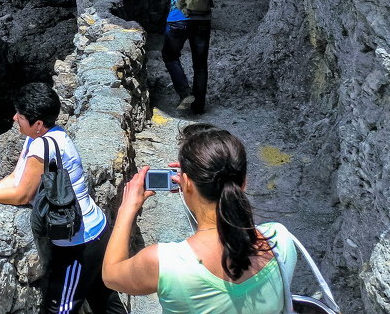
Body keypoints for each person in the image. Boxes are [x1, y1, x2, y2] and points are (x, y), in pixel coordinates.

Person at [0, 84, 125, 314]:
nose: (14, 118)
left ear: (38, 124)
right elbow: (16, 177)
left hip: (80, 244)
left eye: (20, 116)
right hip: (97, 228)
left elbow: (23, 194)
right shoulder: (48, 135)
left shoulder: (42, 146)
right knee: (105, 301)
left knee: (59, 309)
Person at [102, 126, 297, 313]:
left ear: (186, 183)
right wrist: (195, 184)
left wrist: (127, 207)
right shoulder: (280, 240)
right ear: (243, 183)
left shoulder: (163, 263)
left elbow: (110, 275)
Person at [152, 0, 229, 114]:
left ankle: (185, 92)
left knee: (170, 55)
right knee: (200, 63)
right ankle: (199, 105)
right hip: (202, 19)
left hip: (178, 18)